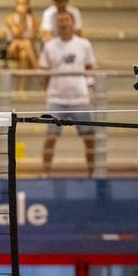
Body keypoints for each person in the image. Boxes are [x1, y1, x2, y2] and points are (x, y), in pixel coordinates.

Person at [39, 11, 97, 177]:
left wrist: (89, 83)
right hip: (56, 99)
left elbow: (90, 66)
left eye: (66, 19)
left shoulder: (84, 44)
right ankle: (45, 174)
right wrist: (48, 89)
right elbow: (43, 70)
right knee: (50, 136)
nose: (63, 23)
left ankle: (92, 175)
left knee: (89, 137)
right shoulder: (50, 46)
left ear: (73, 23)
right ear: (57, 24)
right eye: (60, 20)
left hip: (80, 98)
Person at [4, 0, 39, 90]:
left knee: (23, 55)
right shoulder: (10, 18)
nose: (21, 6)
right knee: (26, 44)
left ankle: (21, 88)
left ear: (28, 5)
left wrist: (19, 41)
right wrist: (22, 18)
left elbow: (33, 38)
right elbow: (16, 34)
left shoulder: (34, 20)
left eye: (23, 3)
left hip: (27, 50)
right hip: (13, 50)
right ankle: (39, 73)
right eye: (18, 3)